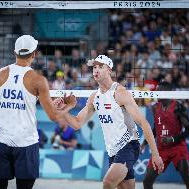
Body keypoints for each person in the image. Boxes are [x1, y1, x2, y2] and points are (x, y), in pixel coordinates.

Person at [56, 55, 164, 189]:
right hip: (112, 151)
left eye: (101, 67)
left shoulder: (120, 92)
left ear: (109, 70)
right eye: (94, 67)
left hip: (129, 145)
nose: (96, 70)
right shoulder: (94, 97)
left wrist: (155, 155)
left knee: (108, 182)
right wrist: (65, 110)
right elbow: (77, 123)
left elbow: (144, 123)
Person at [0, 34, 67, 189]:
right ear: (34, 54)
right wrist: (69, 105)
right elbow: (53, 116)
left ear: (14, 52)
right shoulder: (38, 80)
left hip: (2, 141)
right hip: (26, 142)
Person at [141, 81, 189, 189]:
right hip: (161, 149)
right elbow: (156, 128)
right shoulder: (155, 108)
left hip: (178, 148)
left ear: (167, 92)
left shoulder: (179, 108)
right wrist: (144, 143)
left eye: (159, 91)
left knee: (187, 179)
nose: (156, 93)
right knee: (147, 181)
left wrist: (173, 139)